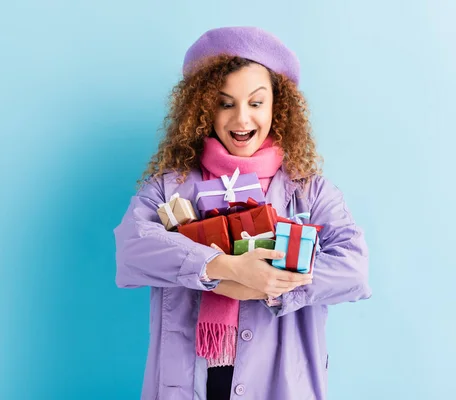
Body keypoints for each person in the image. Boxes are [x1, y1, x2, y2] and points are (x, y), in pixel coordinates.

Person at [114, 26, 371, 400]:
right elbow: (132, 249)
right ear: (203, 108)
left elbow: (353, 268)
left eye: (255, 102)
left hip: (280, 383)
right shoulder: (170, 187)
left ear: (276, 108)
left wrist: (268, 285)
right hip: (188, 380)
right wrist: (222, 269)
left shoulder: (309, 191)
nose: (241, 120)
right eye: (225, 102)